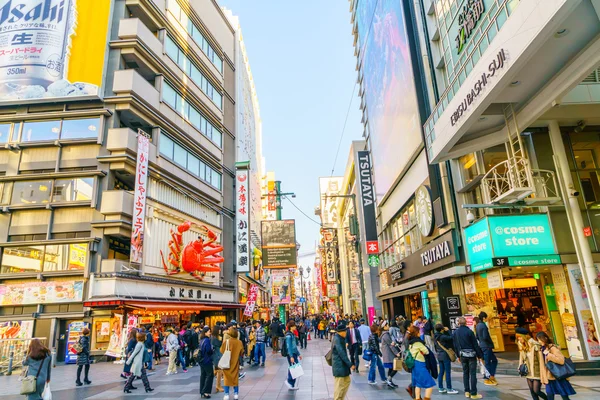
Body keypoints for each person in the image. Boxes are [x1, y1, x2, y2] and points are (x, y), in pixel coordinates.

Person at [537, 331, 576, 400]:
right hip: (549, 377)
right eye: (538, 340)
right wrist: (543, 378)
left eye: (540, 339)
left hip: (557, 376)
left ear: (545, 338)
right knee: (550, 395)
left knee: (564, 395)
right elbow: (542, 366)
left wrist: (548, 354)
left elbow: (561, 360)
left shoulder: (552, 348)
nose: (539, 341)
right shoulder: (541, 349)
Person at [453, 317, 484, 399]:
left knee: (465, 373)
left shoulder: (455, 332)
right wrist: (479, 355)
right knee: (473, 374)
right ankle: (473, 393)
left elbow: (455, 346)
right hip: (472, 355)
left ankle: (467, 391)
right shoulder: (469, 332)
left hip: (462, 355)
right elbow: (475, 345)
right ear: (466, 323)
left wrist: (458, 356)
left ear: (458, 323)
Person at [517, 330, 548, 400]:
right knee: (532, 392)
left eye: (520, 337)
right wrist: (520, 366)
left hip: (537, 371)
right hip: (528, 371)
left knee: (536, 391)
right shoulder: (522, 345)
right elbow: (521, 357)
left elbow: (541, 360)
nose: (519, 339)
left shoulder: (535, 346)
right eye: (518, 338)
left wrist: (543, 373)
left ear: (524, 337)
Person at [408, 325, 436, 400]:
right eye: (419, 332)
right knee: (430, 384)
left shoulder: (410, 342)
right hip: (420, 364)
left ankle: (417, 398)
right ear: (416, 332)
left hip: (414, 365)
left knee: (418, 384)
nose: (420, 333)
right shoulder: (418, 343)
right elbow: (426, 352)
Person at [220, 327, 245, 400]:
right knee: (235, 378)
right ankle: (236, 394)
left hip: (227, 363)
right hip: (235, 363)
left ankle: (226, 394)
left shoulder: (226, 342)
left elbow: (221, 350)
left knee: (226, 379)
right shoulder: (239, 342)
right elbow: (242, 352)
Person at [331, 320, 353, 400]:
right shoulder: (337, 339)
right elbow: (342, 353)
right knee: (339, 385)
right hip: (339, 366)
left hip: (341, 366)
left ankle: (340, 398)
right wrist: (350, 364)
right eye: (345, 331)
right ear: (341, 332)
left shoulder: (339, 338)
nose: (346, 333)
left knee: (346, 381)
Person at [435, 323, 459, 394]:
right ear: (442, 329)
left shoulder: (435, 336)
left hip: (439, 355)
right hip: (445, 355)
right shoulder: (443, 337)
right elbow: (452, 337)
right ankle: (449, 388)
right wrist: (448, 331)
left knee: (441, 372)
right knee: (447, 372)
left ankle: (441, 387)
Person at [477, 312, 498, 386]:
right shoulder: (483, 325)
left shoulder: (478, 325)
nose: (486, 319)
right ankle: (489, 377)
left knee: (489, 361)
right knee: (489, 361)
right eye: (486, 318)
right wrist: (491, 343)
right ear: (483, 318)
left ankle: (490, 376)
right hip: (487, 346)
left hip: (482, 346)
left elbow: (477, 336)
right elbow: (486, 336)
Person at [380, 320, 400, 388]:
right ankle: (389, 380)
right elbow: (390, 345)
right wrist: (397, 353)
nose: (388, 326)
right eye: (387, 325)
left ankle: (390, 381)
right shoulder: (385, 335)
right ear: (384, 327)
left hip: (388, 354)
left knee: (391, 368)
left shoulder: (385, 334)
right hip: (389, 354)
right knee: (395, 368)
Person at [284, 321, 302, 390]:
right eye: (294, 326)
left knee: (294, 367)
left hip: (294, 353)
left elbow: (294, 346)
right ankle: (290, 382)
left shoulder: (292, 334)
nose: (295, 327)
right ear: (291, 327)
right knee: (293, 367)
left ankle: (292, 384)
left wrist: (298, 354)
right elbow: (289, 347)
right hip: (291, 354)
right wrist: (291, 356)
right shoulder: (289, 335)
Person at [199, 326, 214, 399]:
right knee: (210, 375)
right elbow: (208, 350)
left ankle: (202, 391)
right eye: (209, 332)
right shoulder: (207, 340)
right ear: (205, 333)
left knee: (203, 375)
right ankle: (206, 392)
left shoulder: (201, 340)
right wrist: (212, 350)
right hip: (207, 360)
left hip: (201, 360)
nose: (210, 333)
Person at [212, 327, 224, 393]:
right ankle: (218, 386)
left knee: (217, 371)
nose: (220, 331)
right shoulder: (214, 339)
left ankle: (217, 385)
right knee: (219, 371)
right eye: (219, 330)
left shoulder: (214, 338)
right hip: (217, 356)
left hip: (217, 356)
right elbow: (219, 345)